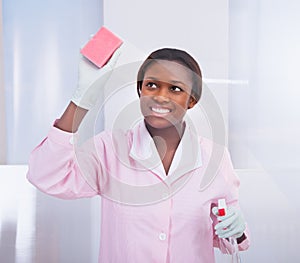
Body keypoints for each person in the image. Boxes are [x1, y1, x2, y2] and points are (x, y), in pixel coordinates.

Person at [27, 43, 250, 262]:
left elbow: (229, 239)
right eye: (152, 85)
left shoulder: (215, 157)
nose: (161, 96)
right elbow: (46, 175)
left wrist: (237, 231)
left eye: (175, 88)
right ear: (140, 91)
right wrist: (81, 100)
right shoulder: (110, 149)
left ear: (191, 100)